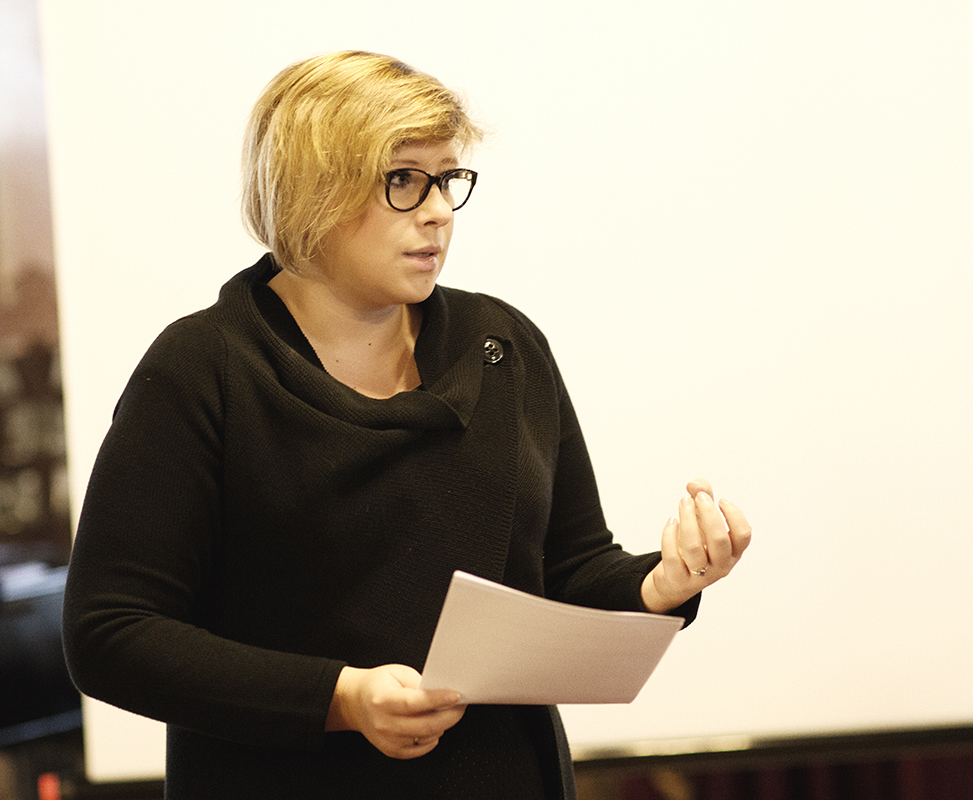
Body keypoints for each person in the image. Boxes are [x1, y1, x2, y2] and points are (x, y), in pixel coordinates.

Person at [61, 50, 751, 800]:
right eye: (402, 181)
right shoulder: (204, 369)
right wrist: (341, 699)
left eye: (447, 179)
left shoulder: (504, 347)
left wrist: (661, 583)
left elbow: (569, 574)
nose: (438, 211)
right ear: (312, 193)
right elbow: (111, 633)